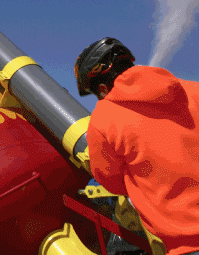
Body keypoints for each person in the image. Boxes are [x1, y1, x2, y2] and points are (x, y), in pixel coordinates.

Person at [75, 38, 199, 255]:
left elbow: (112, 182)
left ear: (103, 87)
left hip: (187, 243)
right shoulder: (194, 90)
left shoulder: (104, 118)